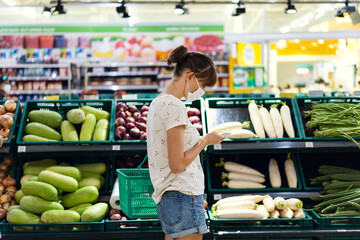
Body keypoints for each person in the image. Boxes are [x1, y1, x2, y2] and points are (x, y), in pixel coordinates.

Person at [146, 45, 225, 240]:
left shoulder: (158, 102)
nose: (203, 91)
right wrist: (205, 141)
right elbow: (177, 164)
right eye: (203, 84)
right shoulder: (174, 105)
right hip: (183, 195)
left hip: (171, 198)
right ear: (190, 76)